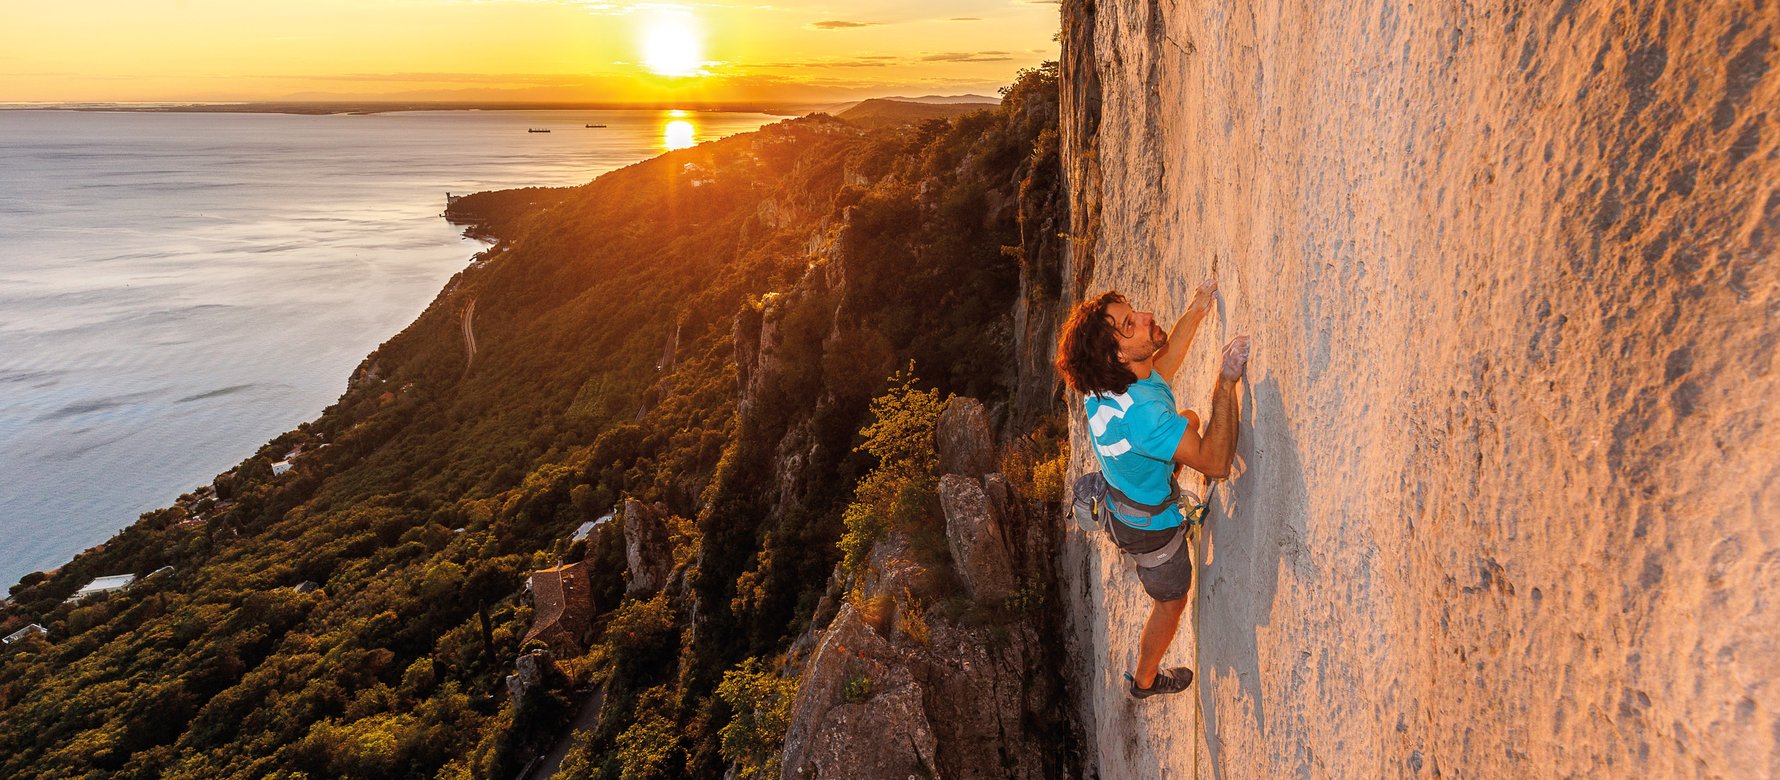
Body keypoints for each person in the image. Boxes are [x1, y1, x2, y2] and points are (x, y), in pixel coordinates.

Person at [1054, 279, 1250, 699]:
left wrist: (1198, 309)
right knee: (1172, 602)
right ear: (1118, 355)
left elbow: (1165, 364)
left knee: (1191, 420)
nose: (1145, 318)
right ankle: (1144, 681)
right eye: (1130, 325)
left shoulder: (1111, 381)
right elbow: (1216, 465)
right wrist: (1227, 381)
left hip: (1124, 491)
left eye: (1133, 313)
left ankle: (1173, 479)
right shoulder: (1143, 416)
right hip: (1148, 531)